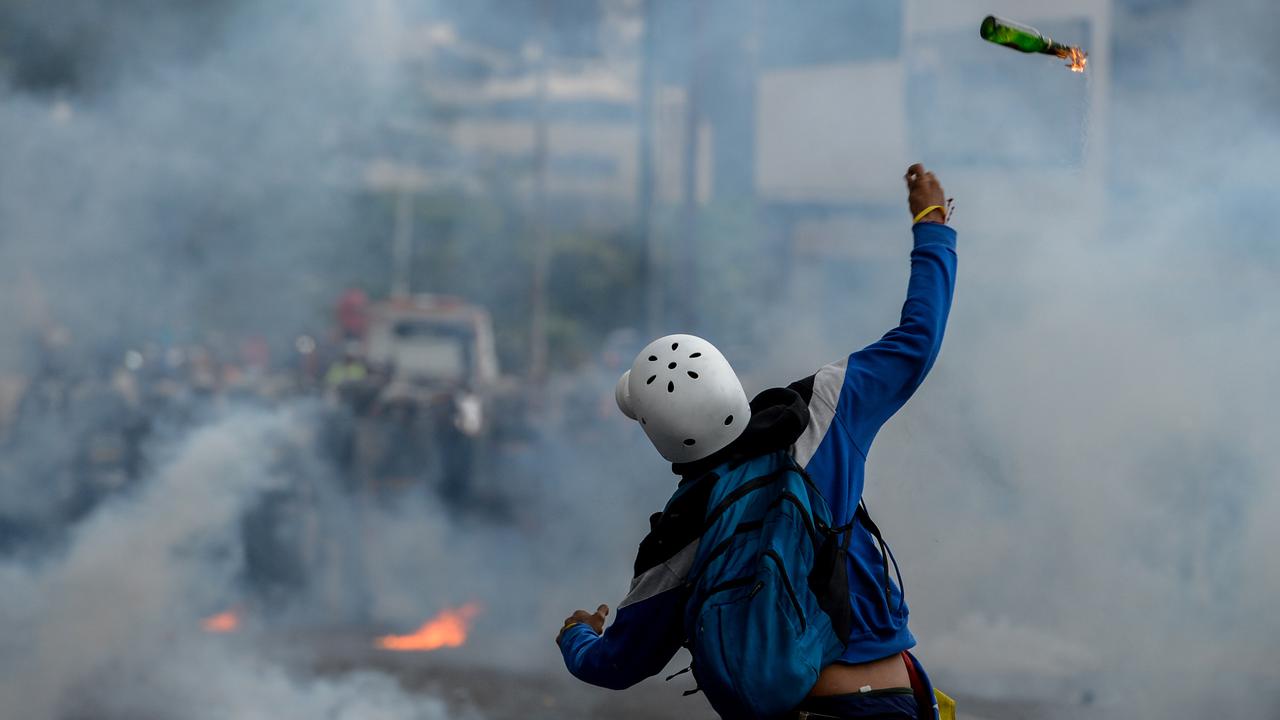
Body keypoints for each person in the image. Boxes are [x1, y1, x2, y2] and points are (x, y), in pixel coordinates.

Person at [556, 165, 957, 719]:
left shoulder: (680, 532)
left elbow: (616, 664)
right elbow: (918, 338)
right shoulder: (820, 413)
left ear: (662, 439)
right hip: (893, 700)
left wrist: (577, 636)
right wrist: (930, 222)